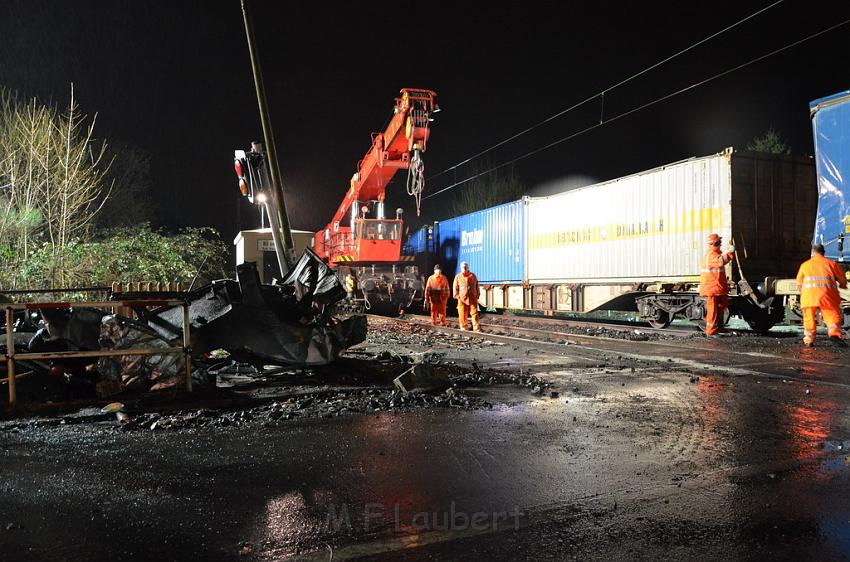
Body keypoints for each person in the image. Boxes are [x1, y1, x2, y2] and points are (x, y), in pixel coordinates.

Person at [796, 243, 847, 347]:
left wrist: (803, 293)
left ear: (813, 252)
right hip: (827, 296)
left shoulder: (805, 265)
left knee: (809, 318)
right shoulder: (831, 263)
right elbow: (842, 279)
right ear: (823, 252)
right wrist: (842, 285)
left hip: (809, 297)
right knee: (832, 315)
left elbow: (799, 283)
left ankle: (809, 340)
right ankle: (834, 334)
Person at [700, 233, 735, 336]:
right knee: (713, 310)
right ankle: (711, 331)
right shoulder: (711, 255)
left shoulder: (714, 254)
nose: (720, 245)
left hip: (717, 287)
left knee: (723, 304)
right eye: (718, 243)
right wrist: (730, 252)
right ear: (712, 244)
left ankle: (715, 325)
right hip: (712, 289)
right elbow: (721, 261)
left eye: (720, 243)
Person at [453, 261, 481, 332]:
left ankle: (476, 329)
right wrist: (457, 296)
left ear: (468, 267)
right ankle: (463, 327)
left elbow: (477, 286)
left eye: (466, 267)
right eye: (463, 267)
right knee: (462, 314)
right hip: (462, 299)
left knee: (474, 314)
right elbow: (455, 287)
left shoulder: (473, 276)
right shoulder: (458, 277)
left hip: (472, 298)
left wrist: (477, 295)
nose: (464, 268)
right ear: (461, 268)